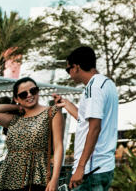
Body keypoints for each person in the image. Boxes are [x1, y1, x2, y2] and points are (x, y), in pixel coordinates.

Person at [0, 78, 63, 191]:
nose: (29, 95)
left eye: (33, 90)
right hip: (10, 174)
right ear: (16, 98)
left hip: (38, 174)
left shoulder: (51, 112)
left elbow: (58, 146)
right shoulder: (15, 118)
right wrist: (17, 106)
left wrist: (55, 178)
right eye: (23, 94)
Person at [53, 46, 116, 191]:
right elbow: (87, 121)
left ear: (76, 67)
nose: (69, 74)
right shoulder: (107, 84)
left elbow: (94, 128)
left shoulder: (93, 88)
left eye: (68, 69)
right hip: (103, 166)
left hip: (91, 169)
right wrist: (67, 104)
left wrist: (81, 167)